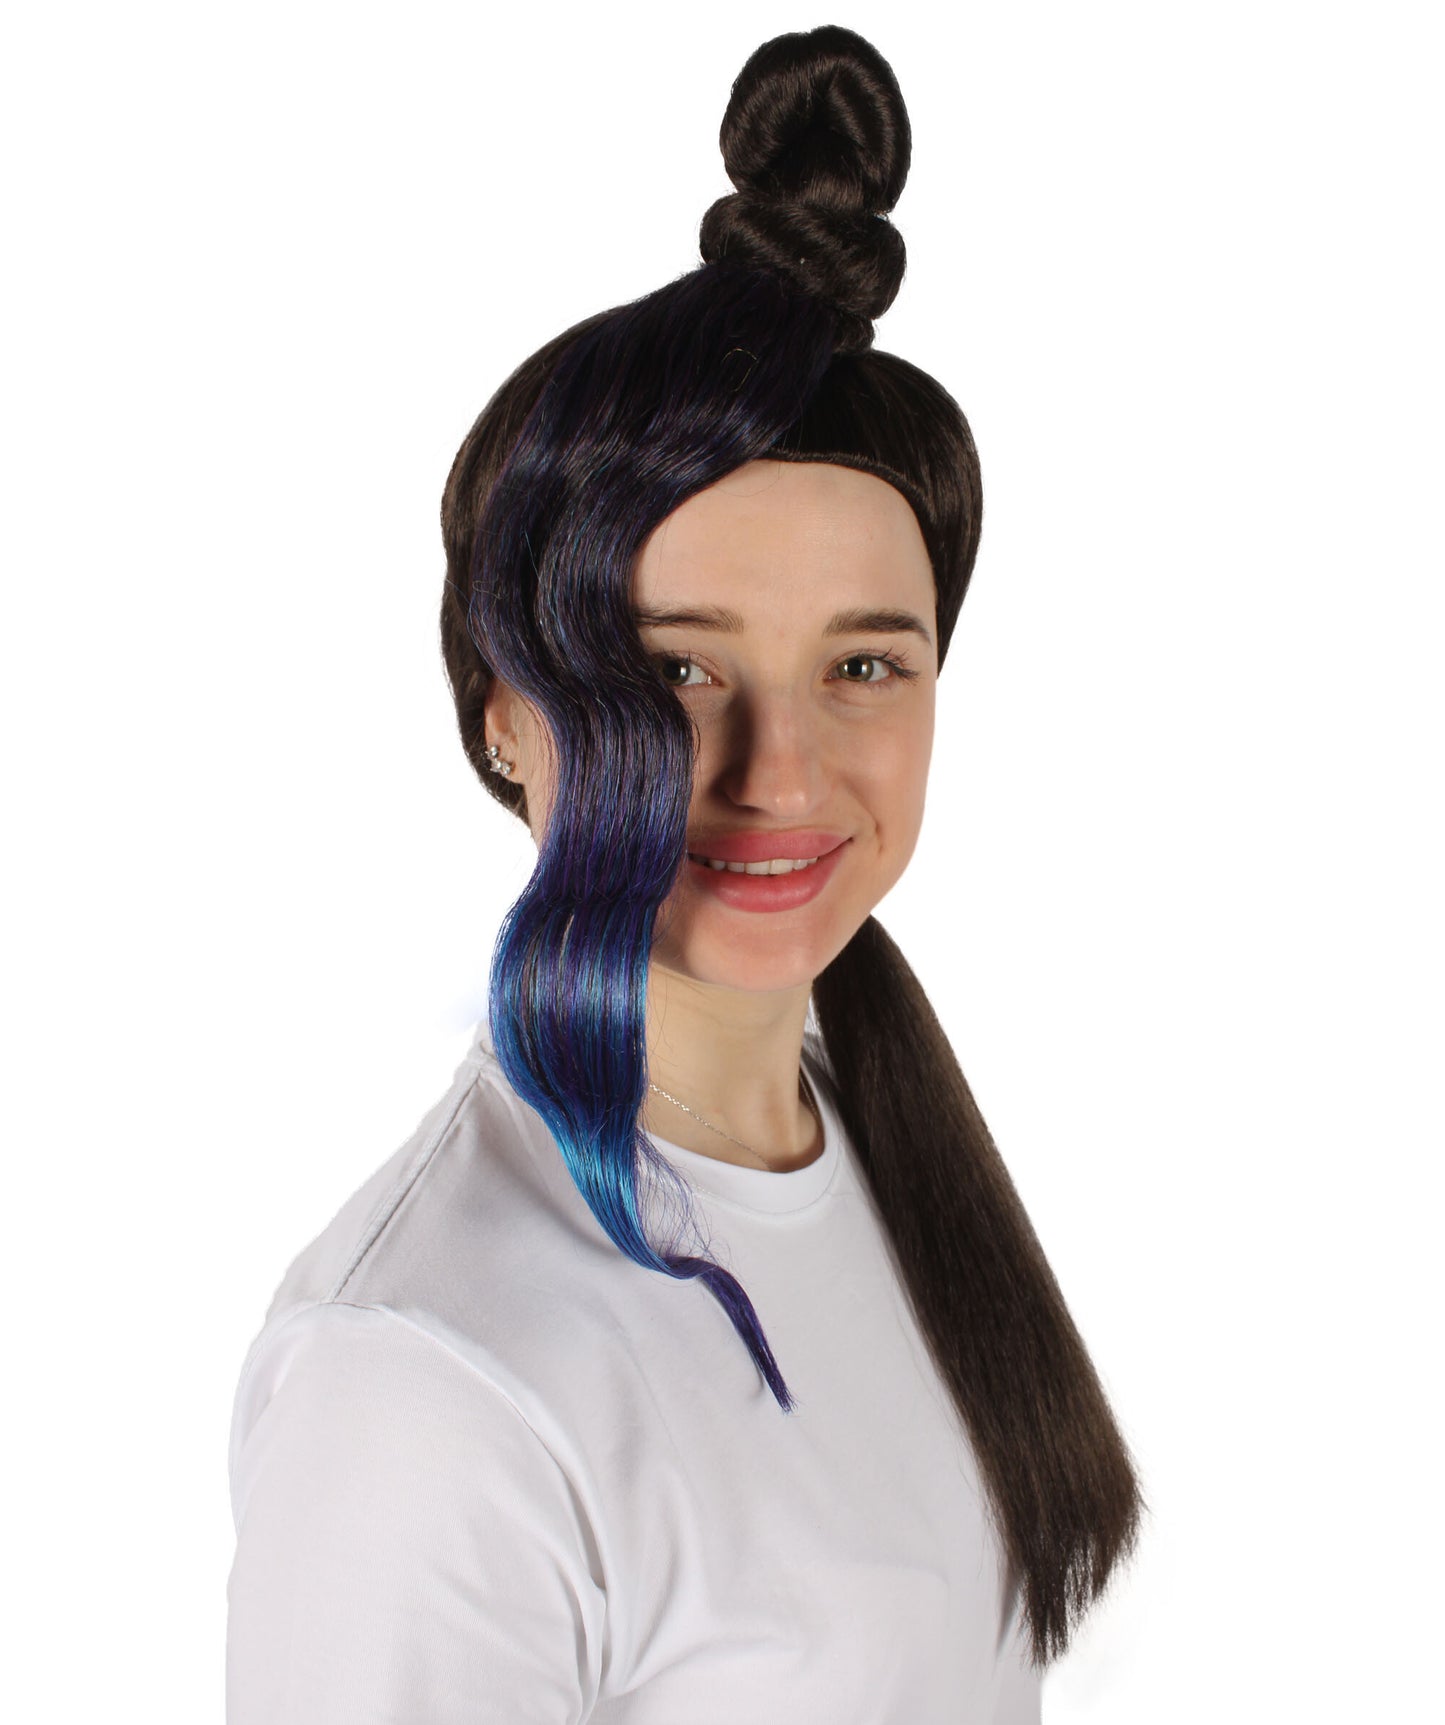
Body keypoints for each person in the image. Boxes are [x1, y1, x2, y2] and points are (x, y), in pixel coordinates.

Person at [226, 25, 1143, 1722]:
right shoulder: (424, 1384)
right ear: (505, 715)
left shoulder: (881, 1149)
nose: (776, 772)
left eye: (862, 664)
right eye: (674, 669)